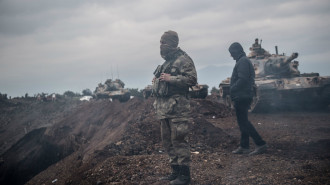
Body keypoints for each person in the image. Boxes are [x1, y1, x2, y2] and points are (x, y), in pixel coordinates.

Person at [152, 30, 197, 185]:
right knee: (168, 142)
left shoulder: (184, 59)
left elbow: (192, 79)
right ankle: (175, 172)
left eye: (163, 42)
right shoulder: (167, 62)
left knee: (179, 141)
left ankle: (185, 177)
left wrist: (171, 79)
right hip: (164, 110)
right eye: (160, 42)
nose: (161, 45)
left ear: (171, 43)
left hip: (178, 110)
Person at [228, 42, 267, 156]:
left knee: (244, 122)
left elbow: (243, 79)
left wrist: (233, 89)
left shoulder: (243, 61)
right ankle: (244, 146)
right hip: (243, 95)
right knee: (242, 122)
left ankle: (260, 144)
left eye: (232, 53)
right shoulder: (242, 60)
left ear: (237, 51)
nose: (231, 56)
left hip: (242, 96)